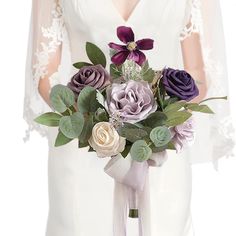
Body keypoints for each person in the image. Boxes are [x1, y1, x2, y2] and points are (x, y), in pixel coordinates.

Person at [23, 0, 235, 235]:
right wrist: (94, 123)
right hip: (83, 149)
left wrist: (157, 118)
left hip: (161, 152)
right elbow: (44, 72)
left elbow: (197, 74)